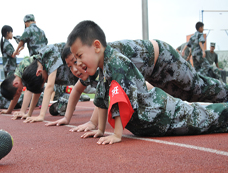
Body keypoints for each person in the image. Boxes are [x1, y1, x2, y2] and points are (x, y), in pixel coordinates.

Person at [66, 20, 228, 145]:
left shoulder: (116, 62)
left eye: (79, 56)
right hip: (152, 121)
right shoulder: (104, 69)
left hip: (162, 114)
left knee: (207, 118)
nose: (78, 63)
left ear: (96, 46)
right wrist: (100, 130)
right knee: (202, 113)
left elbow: (123, 100)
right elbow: (101, 101)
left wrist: (116, 134)